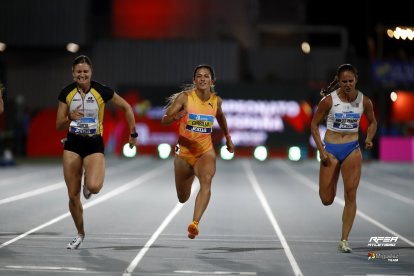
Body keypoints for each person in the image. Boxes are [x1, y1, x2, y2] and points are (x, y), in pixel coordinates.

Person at [56, 55, 138, 249]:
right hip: (72, 145)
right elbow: (59, 124)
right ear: (73, 73)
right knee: (72, 195)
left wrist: (133, 133)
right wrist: (70, 117)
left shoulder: (101, 90)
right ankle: (80, 233)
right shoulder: (66, 93)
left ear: (91, 73)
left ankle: (88, 184)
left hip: (94, 145)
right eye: (78, 72)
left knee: (94, 187)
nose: (82, 75)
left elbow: (126, 107)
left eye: (85, 71)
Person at [161, 64, 234, 239]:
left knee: (206, 180)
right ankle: (188, 180)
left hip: (205, 151)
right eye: (199, 76)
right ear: (194, 80)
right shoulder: (184, 98)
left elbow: (221, 117)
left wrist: (228, 138)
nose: (202, 79)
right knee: (183, 198)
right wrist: (175, 117)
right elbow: (164, 120)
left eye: (206, 76)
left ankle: (194, 224)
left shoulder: (216, 101)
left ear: (212, 81)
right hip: (184, 154)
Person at [310, 64, 377, 253]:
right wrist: (321, 150)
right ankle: (333, 179)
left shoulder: (365, 101)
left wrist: (369, 138)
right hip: (330, 150)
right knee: (326, 199)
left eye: (351, 81)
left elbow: (372, 122)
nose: (348, 84)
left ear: (356, 80)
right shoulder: (328, 101)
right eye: (344, 81)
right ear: (338, 82)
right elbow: (314, 126)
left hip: (352, 149)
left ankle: (344, 239)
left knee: (351, 194)